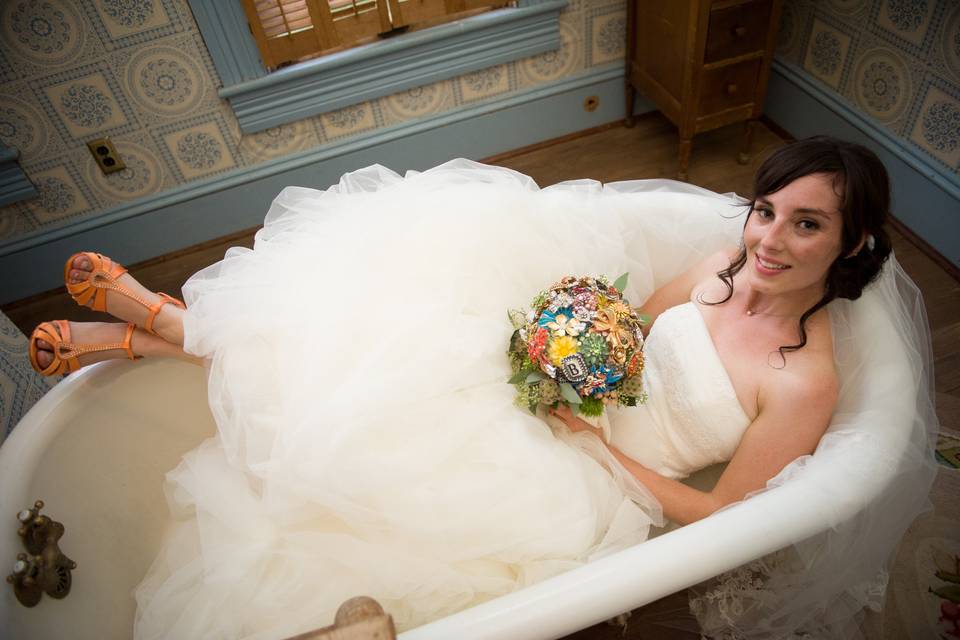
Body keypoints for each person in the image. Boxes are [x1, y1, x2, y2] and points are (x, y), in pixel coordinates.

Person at [26, 137, 932, 639]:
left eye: (805, 225)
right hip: (556, 396)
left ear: (851, 246)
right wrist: (557, 336)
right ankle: (164, 332)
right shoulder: (718, 264)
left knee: (377, 442)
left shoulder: (803, 382)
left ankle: (159, 334)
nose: (768, 240)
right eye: (766, 209)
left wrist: (595, 443)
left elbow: (724, 517)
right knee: (385, 339)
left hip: (594, 473)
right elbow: (623, 323)